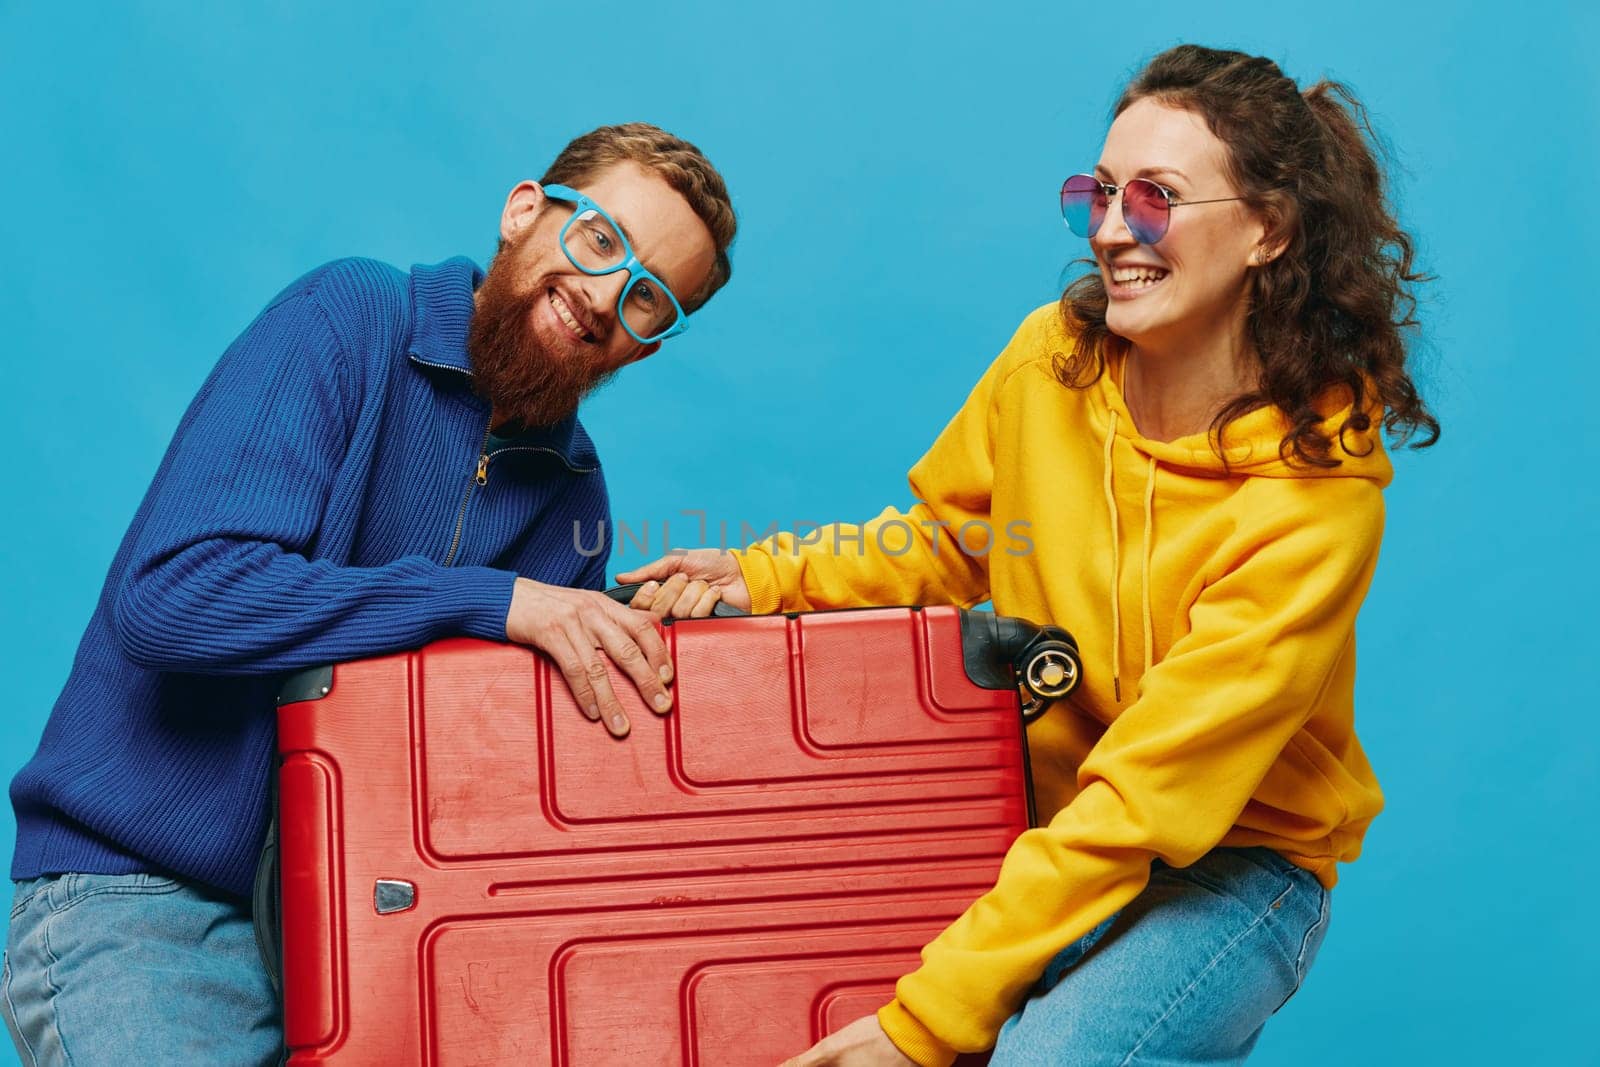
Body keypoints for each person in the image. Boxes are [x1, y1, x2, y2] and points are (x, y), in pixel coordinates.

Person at [621, 45, 1439, 1067]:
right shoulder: (1049, 359)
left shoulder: (1311, 507)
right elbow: (953, 538)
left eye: (1155, 199)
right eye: (1096, 194)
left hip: (1233, 866)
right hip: (1038, 824)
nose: (1108, 229)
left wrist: (923, 1023)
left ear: (1267, 229)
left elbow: (1144, 805)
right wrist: (765, 576)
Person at [1, 122, 736, 1064]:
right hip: (147, 902)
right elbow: (173, 595)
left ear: (645, 349)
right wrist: (487, 600)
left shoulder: (574, 495)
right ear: (524, 213)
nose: (602, 296)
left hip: (375, 943)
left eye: (645, 299)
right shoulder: (349, 319)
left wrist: (667, 646)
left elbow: (508, 781)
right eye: (601, 241)